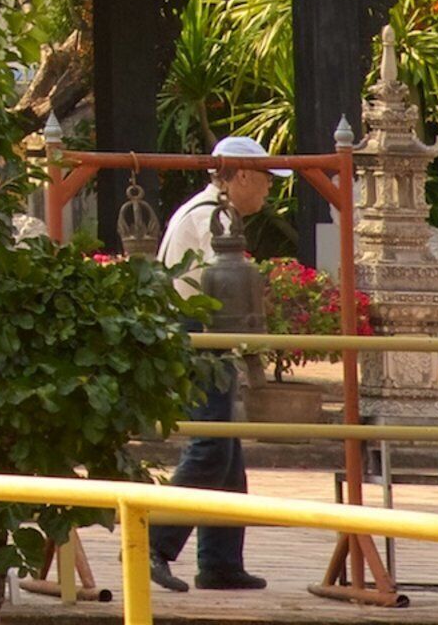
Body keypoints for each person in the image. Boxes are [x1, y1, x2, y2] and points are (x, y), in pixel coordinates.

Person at [148, 137, 274, 593]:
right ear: (240, 175)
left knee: (227, 454)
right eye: (263, 179)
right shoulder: (209, 219)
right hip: (194, 334)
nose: (267, 191)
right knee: (210, 448)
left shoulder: (213, 216)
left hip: (203, 335)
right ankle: (154, 542)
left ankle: (220, 561)